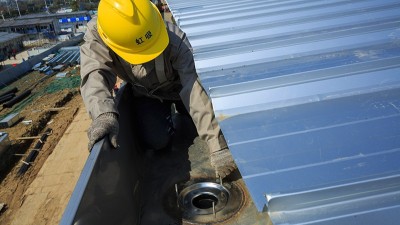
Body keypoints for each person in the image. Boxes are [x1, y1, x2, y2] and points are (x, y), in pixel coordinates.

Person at [80, 0, 237, 179]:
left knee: (198, 122)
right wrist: (103, 114)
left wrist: (218, 147)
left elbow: (193, 87)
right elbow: (94, 73)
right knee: (157, 141)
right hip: (148, 93)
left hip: (180, 90)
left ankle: (183, 112)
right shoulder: (100, 33)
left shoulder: (175, 39)